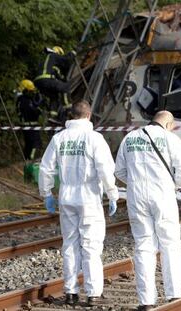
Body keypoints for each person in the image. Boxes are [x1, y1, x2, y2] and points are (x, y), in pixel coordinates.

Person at [38, 100, 119, 306]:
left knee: (70, 245)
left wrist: (46, 193)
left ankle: (71, 292)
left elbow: (46, 168)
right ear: (89, 115)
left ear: (71, 116)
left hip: (67, 198)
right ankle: (93, 293)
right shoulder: (94, 138)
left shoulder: (59, 138)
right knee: (91, 246)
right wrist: (112, 194)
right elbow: (105, 169)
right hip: (89, 198)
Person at [115, 111, 181, 311]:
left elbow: (119, 171)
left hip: (136, 196)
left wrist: (134, 183)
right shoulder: (170, 138)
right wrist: (174, 185)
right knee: (170, 244)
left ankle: (146, 301)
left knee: (143, 245)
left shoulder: (130, 138)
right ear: (169, 123)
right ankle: (174, 295)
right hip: (163, 194)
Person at [34, 46, 75, 125]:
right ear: (58, 53)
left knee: (54, 97)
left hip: (38, 82)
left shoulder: (45, 59)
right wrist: (72, 53)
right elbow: (66, 60)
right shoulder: (53, 56)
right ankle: (69, 110)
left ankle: (52, 117)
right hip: (46, 79)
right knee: (65, 87)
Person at [16, 79, 43, 160]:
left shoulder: (21, 100)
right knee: (35, 144)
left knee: (28, 144)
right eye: (30, 91)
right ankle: (32, 159)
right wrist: (38, 108)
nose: (31, 93)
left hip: (27, 125)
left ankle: (26, 159)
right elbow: (32, 111)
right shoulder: (25, 100)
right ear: (24, 90)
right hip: (31, 125)